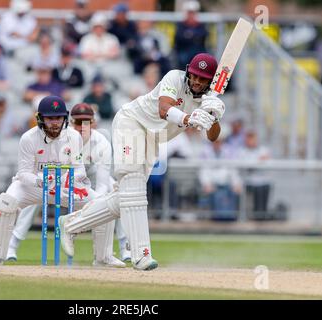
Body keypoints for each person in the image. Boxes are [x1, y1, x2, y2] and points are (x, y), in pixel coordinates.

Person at [58, 53, 225, 270]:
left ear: (210, 81)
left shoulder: (209, 99)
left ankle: (71, 223)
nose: (196, 81)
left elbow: (213, 137)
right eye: (194, 76)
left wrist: (214, 116)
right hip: (132, 123)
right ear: (188, 71)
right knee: (134, 188)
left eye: (203, 79)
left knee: (128, 196)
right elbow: (164, 109)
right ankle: (141, 255)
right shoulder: (174, 77)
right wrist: (187, 118)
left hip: (153, 138)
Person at [6, 103, 128, 266]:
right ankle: (12, 245)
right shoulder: (63, 137)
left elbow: (103, 181)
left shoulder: (102, 143)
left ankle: (119, 250)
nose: (82, 127)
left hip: (87, 178)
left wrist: (95, 207)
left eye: (87, 122)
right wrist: (51, 184)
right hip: (61, 176)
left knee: (112, 197)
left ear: (94, 123)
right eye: (78, 122)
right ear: (70, 122)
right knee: (35, 193)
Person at [0, 96, 94, 265]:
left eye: (58, 118)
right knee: (7, 202)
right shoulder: (28, 138)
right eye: (50, 118)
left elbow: (79, 170)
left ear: (65, 117)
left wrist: (61, 180)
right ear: (40, 119)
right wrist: (40, 182)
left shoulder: (74, 137)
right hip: (33, 186)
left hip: (64, 186)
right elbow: (23, 173)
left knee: (101, 203)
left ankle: (103, 257)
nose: (55, 123)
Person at [238, 129, 272, 219]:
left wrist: (255, 163)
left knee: (265, 187)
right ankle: (257, 216)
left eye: (253, 138)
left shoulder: (263, 149)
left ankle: (262, 215)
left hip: (263, 181)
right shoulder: (242, 151)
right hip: (249, 181)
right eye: (249, 138)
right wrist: (258, 161)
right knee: (257, 189)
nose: (251, 141)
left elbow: (267, 164)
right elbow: (246, 166)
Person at [173, 0, 208, 69]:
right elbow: (179, 38)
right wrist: (194, 36)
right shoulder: (181, 25)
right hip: (184, 51)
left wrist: (189, 35)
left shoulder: (200, 25)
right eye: (190, 13)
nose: (191, 15)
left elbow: (204, 36)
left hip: (198, 51)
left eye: (193, 13)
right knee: (184, 58)